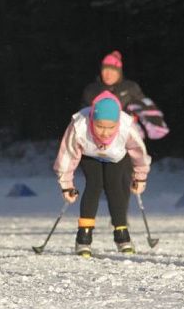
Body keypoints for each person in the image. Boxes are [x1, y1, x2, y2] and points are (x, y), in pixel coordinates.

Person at [53, 90, 151, 257]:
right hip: (89, 155)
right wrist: (66, 185)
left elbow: (139, 152)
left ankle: (122, 234)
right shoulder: (80, 125)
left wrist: (140, 176)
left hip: (116, 157)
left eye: (110, 127)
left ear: (117, 123)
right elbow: (67, 155)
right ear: (92, 119)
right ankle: (84, 236)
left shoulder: (127, 127)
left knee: (115, 187)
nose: (104, 133)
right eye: (99, 126)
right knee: (94, 185)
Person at [81, 50, 169, 140]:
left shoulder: (130, 87)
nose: (108, 74)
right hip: (99, 136)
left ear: (119, 72)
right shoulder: (91, 89)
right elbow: (83, 114)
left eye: (113, 70)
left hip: (127, 136)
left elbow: (145, 105)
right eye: (105, 69)